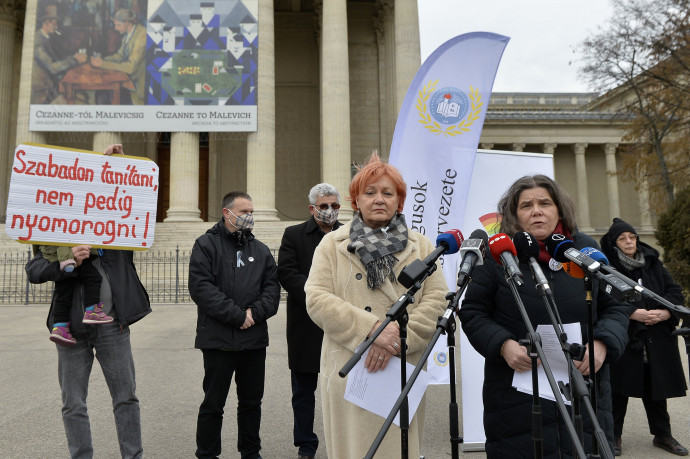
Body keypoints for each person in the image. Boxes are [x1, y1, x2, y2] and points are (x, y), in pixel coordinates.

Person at [458, 174, 630, 458]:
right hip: (517, 398)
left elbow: (617, 306)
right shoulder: (497, 256)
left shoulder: (584, 249)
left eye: (544, 203)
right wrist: (503, 345)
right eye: (526, 205)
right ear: (514, 215)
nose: (536, 210)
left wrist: (602, 344)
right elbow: (473, 312)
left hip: (584, 392)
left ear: (559, 210)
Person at [304, 153, 448, 459]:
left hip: (402, 366)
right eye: (370, 192)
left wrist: (393, 338)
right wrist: (372, 331)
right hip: (351, 366)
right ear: (356, 200)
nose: (379, 199)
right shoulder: (332, 244)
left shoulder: (422, 245)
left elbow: (437, 301)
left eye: (387, 193)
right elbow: (316, 297)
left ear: (400, 200)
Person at [25, 143, 151, 459]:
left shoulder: (115, 220)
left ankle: (132, 456)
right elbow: (35, 267)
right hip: (69, 326)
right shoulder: (53, 224)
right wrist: (64, 265)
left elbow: (137, 208)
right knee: (73, 402)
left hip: (113, 323)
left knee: (126, 397)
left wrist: (123, 171)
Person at [189, 191, 281, 459]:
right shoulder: (206, 245)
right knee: (213, 403)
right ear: (227, 213)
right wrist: (237, 315)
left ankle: (250, 452)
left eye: (251, 211)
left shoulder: (261, 250)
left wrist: (253, 313)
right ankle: (207, 453)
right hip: (218, 340)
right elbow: (201, 288)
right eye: (244, 212)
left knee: (251, 402)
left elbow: (272, 290)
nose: (249, 216)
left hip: (253, 341)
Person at [600, 218, 688, 456]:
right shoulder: (608, 268)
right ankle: (614, 436)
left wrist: (665, 311)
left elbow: (674, 291)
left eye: (632, 236)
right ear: (614, 243)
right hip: (626, 337)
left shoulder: (653, 264)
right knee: (619, 390)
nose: (629, 242)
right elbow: (605, 297)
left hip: (657, 336)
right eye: (622, 238)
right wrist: (632, 313)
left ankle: (662, 435)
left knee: (656, 387)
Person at [278, 183, 343, 459]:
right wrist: (318, 295)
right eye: (325, 205)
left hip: (342, 322)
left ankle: (343, 443)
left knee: (342, 389)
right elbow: (287, 273)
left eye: (335, 206)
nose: (330, 211)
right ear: (312, 208)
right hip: (306, 325)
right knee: (304, 392)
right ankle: (306, 445)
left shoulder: (348, 234)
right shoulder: (294, 235)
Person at [39, 244, 112, 345]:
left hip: (55, 258)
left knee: (64, 292)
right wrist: (68, 259)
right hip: (70, 256)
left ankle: (60, 327)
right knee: (94, 278)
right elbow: (63, 241)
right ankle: (92, 311)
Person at [31, 4, 88, 104]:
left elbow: (55, 62)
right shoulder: (37, 41)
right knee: (79, 102)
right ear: (47, 23)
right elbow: (53, 67)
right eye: (54, 23)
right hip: (41, 93)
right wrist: (74, 60)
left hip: (50, 87)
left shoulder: (47, 38)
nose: (56, 26)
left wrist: (73, 57)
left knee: (82, 97)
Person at [90, 8, 146, 104]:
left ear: (127, 23)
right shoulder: (128, 34)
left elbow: (130, 67)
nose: (116, 28)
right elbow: (119, 56)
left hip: (136, 89)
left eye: (118, 25)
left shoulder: (142, 35)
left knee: (103, 96)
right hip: (127, 82)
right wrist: (102, 59)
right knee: (100, 93)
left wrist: (102, 64)